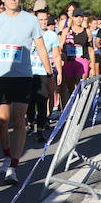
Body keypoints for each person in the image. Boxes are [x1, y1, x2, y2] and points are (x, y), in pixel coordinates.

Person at [0, 0, 50, 185]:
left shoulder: (31, 20)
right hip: (1, 76)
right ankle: (6, 153)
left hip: (23, 76)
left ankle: (13, 166)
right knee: (1, 121)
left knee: (19, 119)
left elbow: (41, 48)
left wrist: (49, 74)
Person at [28, 9, 60, 143]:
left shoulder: (52, 35)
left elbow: (56, 55)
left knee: (42, 100)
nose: (43, 22)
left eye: (45, 20)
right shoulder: (28, 33)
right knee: (29, 101)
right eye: (40, 20)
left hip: (43, 72)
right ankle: (30, 123)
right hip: (28, 72)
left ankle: (40, 129)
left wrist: (59, 72)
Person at [58, 13, 95, 107]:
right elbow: (60, 46)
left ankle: (81, 106)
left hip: (82, 61)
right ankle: (72, 105)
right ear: (72, 18)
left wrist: (93, 66)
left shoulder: (87, 31)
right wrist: (60, 55)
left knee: (81, 84)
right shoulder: (66, 30)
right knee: (70, 87)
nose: (78, 19)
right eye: (76, 17)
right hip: (69, 61)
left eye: (81, 17)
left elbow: (91, 49)